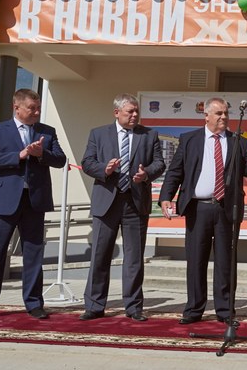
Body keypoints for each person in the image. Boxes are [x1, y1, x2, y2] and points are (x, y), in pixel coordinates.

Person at [159, 97, 247, 324]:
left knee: (226, 262)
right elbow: (175, 171)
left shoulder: (238, 142)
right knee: (196, 259)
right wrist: (166, 197)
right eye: (219, 113)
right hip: (198, 208)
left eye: (226, 113)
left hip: (227, 208)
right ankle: (194, 309)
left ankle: (225, 311)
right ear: (206, 115)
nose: (224, 117)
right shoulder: (189, 140)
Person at [0, 88, 66, 321]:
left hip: (34, 201)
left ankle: (34, 303)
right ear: (17, 108)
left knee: (33, 254)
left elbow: (60, 160)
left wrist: (41, 153)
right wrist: (20, 155)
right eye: (31, 108)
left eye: (38, 108)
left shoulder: (47, 131)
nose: (36, 112)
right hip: (3, 202)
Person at [79, 93, 165, 322]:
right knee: (100, 255)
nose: (135, 115)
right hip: (107, 202)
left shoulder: (149, 135)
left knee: (134, 258)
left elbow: (159, 163)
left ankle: (134, 306)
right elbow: (87, 162)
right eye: (130, 111)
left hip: (135, 202)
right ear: (117, 112)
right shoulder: (98, 134)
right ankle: (94, 305)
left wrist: (146, 173)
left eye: (137, 111)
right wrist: (104, 169)